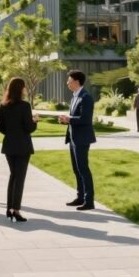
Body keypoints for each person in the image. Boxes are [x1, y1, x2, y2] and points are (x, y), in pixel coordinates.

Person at [0, 77, 38, 223]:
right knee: (19, 178)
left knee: (13, 176)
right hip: (23, 146)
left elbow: (1, 128)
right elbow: (29, 127)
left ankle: (9, 208)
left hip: (9, 145)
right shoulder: (25, 106)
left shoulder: (3, 106)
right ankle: (16, 210)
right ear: (21, 89)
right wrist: (35, 121)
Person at [58, 70, 96, 211]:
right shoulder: (75, 97)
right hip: (73, 139)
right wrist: (65, 121)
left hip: (82, 139)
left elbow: (85, 119)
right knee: (76, 169)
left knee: (83, 169)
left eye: (69, 80)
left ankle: (89, 200)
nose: (67, 82)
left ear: (76, 81)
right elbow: (75, 119)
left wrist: (69, 119)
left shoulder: (86, 97)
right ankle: (80, 197)